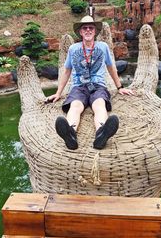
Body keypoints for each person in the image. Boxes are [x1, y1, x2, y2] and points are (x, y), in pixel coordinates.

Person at [45, 15, 134, 150]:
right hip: (78, 86)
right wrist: (58, 93)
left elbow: (111, 67)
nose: (88, 30)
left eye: (90, 28)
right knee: (75, 105)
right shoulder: (73, 49)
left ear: (95, 31)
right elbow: (67, 71)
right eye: (84, 28)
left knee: (99, 104)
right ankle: (70, 134)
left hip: (98, 85)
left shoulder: (103, 47)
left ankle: (101, 133)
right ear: (80, 32)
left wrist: (120, 87)